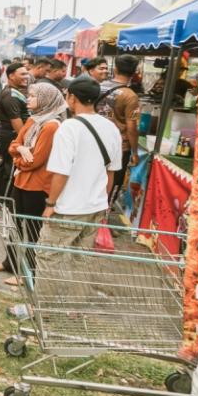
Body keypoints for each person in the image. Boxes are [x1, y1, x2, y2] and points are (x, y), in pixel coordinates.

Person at [36, 79, 122, 282]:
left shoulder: (69, 127)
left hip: (68, 208)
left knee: (49, 256)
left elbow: (61, 172)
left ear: (72, 97)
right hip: (95, 206)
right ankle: (73, 310)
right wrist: (103, 201)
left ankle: (44, 310)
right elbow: (111, 172)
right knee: (80, 258)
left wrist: (50, 203)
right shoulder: (111, 128)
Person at [0, 84, 68, 284]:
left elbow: (36, 160)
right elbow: (14, 144)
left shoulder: (51, 126)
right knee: (14, 225)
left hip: (37, 186)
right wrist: (21, 151)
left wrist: (19, 157)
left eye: (33, 96)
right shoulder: (33, 120)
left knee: (32, 231)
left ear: (46, 99)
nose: (28, 99)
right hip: (21, 181)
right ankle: (11, 263)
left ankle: (28, 274)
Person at [96, 54, 141, 204]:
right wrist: (135, 152)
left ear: (115, 69)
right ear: (134, 73)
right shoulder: (130, 96)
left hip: (94, 141)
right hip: (119, 147)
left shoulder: (98, 86)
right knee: (112, 182)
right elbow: (132, 127)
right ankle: (103, 214)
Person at [0, 62, 30, 198]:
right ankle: (5, 200)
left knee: (5, 168)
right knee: (10, 170)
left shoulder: (13, 92)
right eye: (23, 74)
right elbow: (16, 122)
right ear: (11, 76)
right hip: (13, 136)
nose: (27, 76)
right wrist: (24, 141)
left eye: (27, 73)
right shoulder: (10, 95)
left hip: (10, 135)